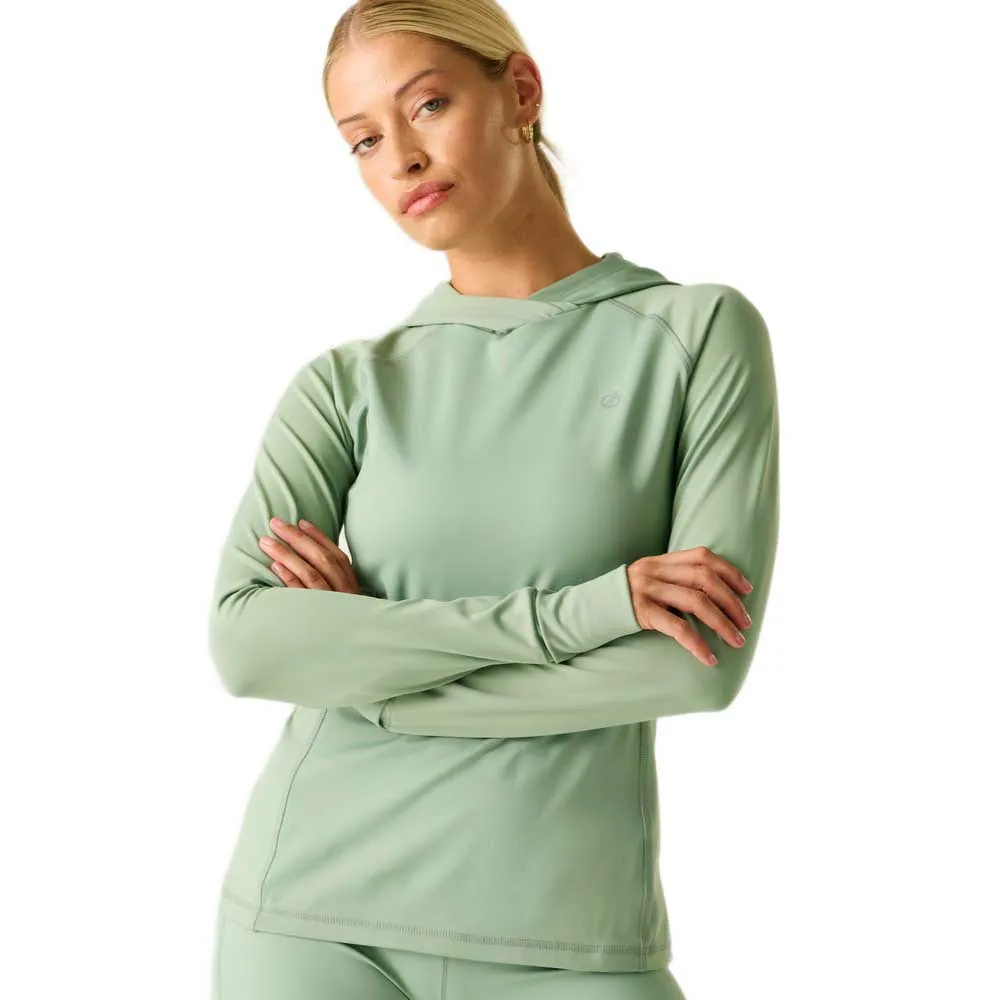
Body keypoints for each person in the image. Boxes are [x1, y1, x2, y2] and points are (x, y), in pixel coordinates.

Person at [207, 1, 781, 997]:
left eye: (426, 105)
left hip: (571, 939)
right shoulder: (346, 386)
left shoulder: (695, 336)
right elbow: (249, 646)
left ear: (519, 90)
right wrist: (592, 611)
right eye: (363, 140)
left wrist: (373, 673)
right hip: (309, 917)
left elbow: (696, 667)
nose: (402, 159)